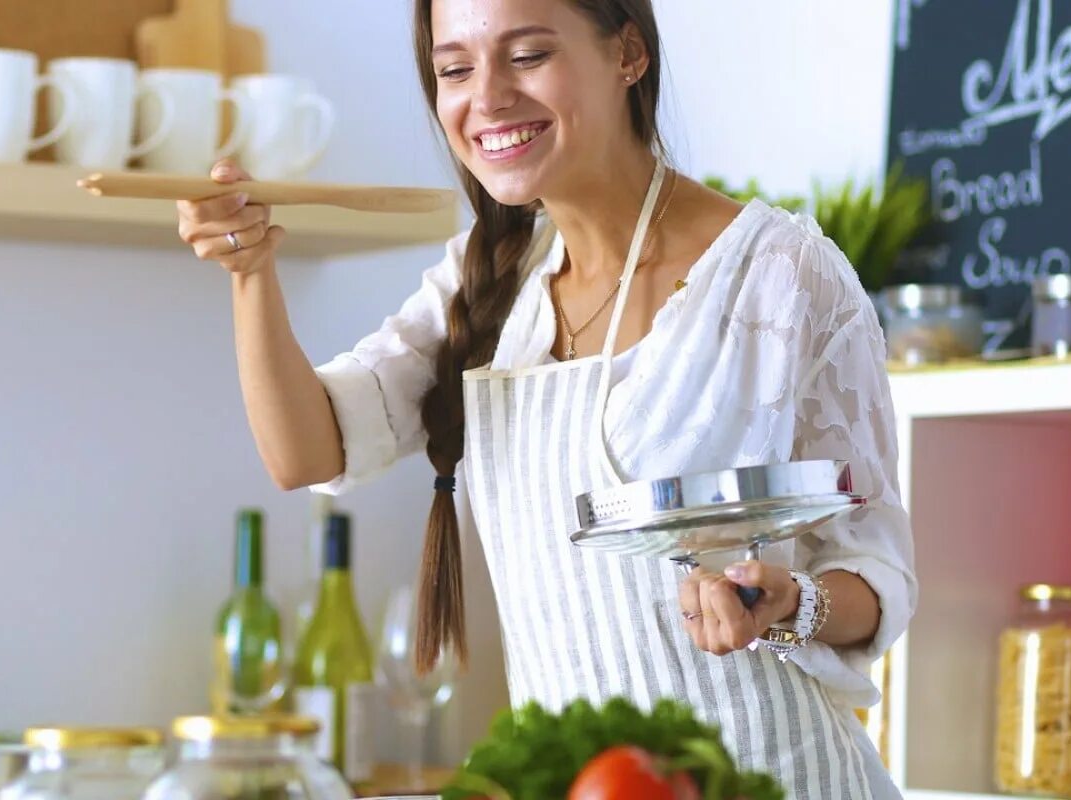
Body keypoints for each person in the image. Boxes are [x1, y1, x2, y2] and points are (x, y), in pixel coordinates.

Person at [175, 0, 916, 796]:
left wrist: (791, 601)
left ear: (628, 53)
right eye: (455, 68)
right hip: (586, 784)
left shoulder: (781, 274)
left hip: (777, 779)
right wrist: (250, 275)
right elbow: (306, 452)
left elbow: (877, 576)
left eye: (527, 56)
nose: (486, 97)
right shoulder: (488, 276)